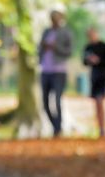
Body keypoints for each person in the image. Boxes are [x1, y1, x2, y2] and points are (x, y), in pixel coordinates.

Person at [39, 8, 73, 137]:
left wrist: (55, 47)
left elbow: (68, 51)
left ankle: (58, 128)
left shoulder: (66, 33)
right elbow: (40, 47)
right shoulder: (46, 32)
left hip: (59, 71)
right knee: (45, 102)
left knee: (57, 100)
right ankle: (55, 126)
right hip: (45, 70)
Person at [82, 27, 105, 138]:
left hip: (103, 76)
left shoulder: (104, 46)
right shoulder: (88, 47)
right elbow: (84, 62)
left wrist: (99, 60)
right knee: (96, 103)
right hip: (94, 77)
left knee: (100, 101)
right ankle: (100, 128)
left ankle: (103, 128)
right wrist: (89, 60)